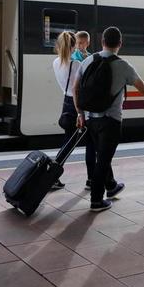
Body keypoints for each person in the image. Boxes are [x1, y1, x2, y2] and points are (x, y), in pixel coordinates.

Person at [74, 26, 144, 212]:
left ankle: (111, 186)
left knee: (101, 156)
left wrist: (80, 113)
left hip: (90, 119)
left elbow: (76, 88)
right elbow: (143, 87)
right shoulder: (123, 65)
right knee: (104, 161)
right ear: (120, 44)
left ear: (102, 42)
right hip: (111, 121)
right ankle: (96, 201)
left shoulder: (88, 60)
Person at [52, 31, 80, 190]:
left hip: (66, 103)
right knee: (69, 143)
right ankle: (53, 174)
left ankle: (53, 174)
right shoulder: (76, 65)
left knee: (67, 141)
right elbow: (79, 89)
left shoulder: (56, 62)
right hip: (76, 105)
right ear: (74, 46)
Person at [71, 30, 98, 190]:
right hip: (83, 104)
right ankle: (93, 179)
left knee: (91, 144)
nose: (80, 46)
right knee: (91, 144)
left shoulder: (90, 56)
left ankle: (92, 178)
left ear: (87, 43)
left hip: (86, 103)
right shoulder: (75, 58)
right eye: (78, 43)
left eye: (82, 43)